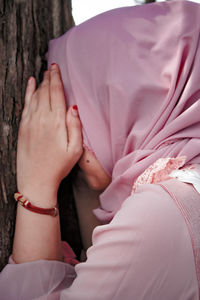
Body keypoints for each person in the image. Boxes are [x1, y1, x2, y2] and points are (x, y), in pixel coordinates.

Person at [0, 0, 200, 299]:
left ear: (127, 109)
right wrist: (92, 189)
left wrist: (37, 187)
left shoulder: (165, 213)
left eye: (76, 105)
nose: (69, 139)